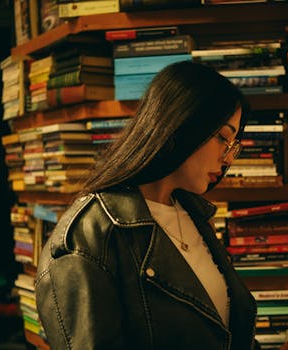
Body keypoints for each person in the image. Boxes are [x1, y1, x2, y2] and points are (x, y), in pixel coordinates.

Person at [35, 61, 260, 349]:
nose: (228, 159)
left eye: (234, 147)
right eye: (223, 139)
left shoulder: (193, 213)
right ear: (183, 121)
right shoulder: (87, 239)